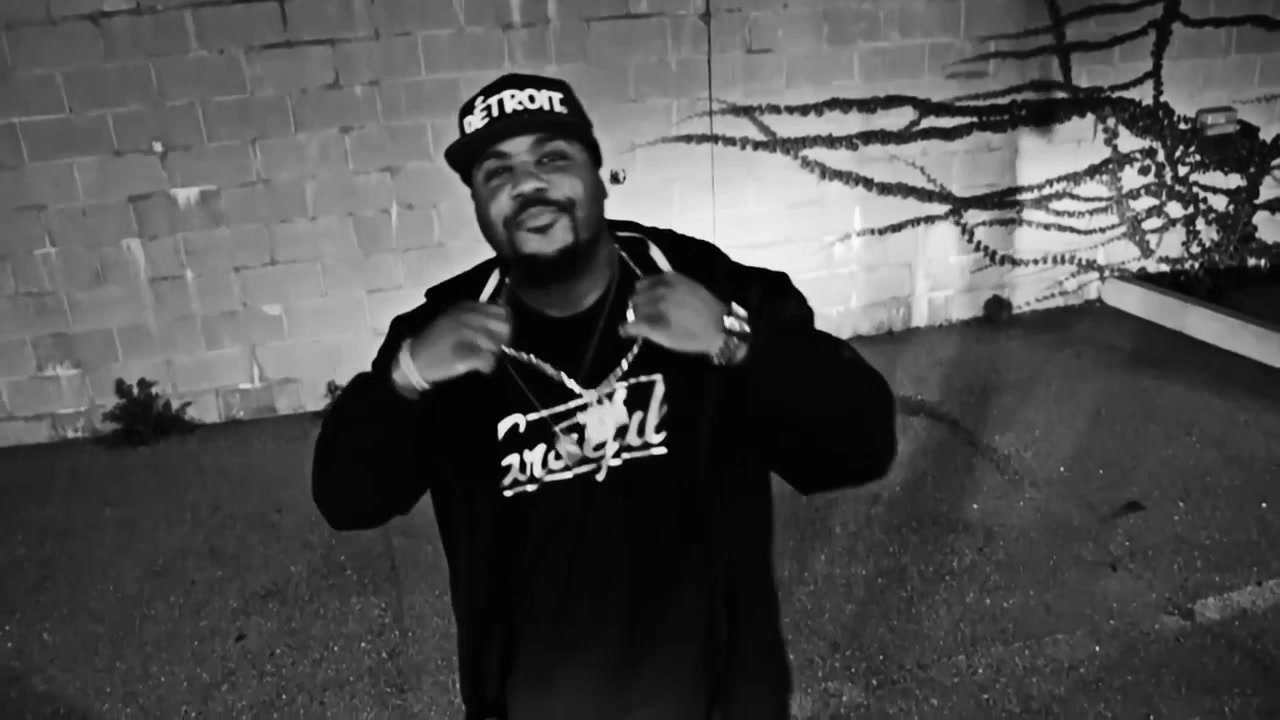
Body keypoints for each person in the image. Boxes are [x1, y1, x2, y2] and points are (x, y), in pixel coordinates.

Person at [311, 72, 899, 720]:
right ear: (477, 204)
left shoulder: (706, 285)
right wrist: (405, 377)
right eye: (496, 171)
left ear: (598, 176)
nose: (526, 184)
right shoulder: (438, 335)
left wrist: (733, 341)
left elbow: (861, 444)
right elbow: (346, 498)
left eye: (552, 158)